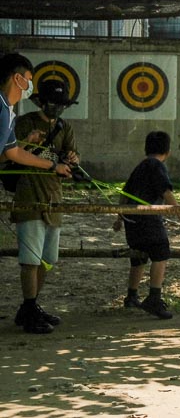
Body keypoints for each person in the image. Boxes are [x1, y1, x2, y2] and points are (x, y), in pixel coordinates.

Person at [9, 78, 79, 334]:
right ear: (41, 102)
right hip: (29, 194)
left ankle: (31, 305)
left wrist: (72, 159)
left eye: (62, 105)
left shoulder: (64, 127)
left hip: (54, 196)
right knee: (30, 259)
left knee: (47, 259)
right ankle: (29, 308)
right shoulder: (24, 122)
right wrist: (29, 141)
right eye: (53, 104)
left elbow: (72, 156)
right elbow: (11, 153)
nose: (57, 109)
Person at [112, 131, 180, 319]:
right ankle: (154, 298)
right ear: (168, 151)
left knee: (139, 256)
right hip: (147, 219)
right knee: (161, 251)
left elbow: (124, 194)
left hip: (131, 220)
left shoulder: (139, 166)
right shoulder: (157, 166)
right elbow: (166, 192)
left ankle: (132, 296)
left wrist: (119, 218)